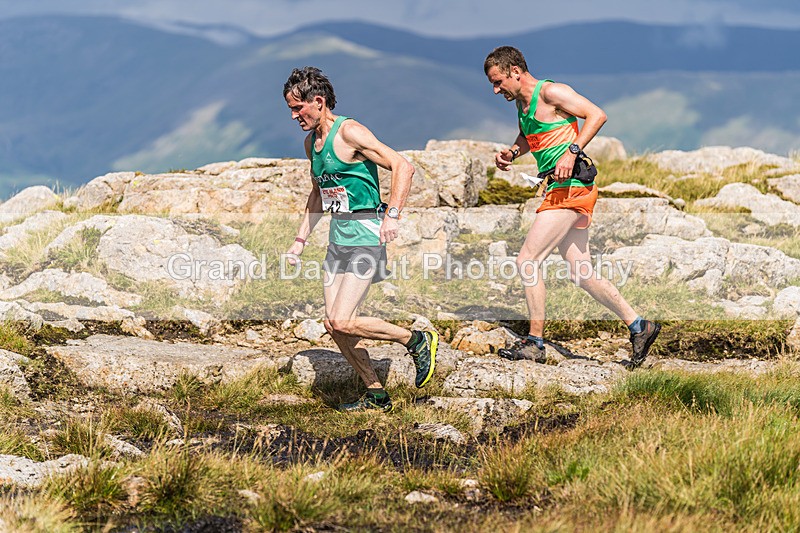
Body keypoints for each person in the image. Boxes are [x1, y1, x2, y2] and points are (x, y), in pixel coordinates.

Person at [483, 46, 660, 368]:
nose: (496, 90)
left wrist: (572, 152)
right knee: (581, 271)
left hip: (572, 187)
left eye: (498, 82)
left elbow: (597, 115)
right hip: (557, 188)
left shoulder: (551, 92)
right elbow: (530, 134)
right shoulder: (523, 104)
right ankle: (639, 325)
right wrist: (511, 152)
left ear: (515, 72)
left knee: (528, 260)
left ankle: (535, 343)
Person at [283, 66, 438, 412]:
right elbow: (318, 193)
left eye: (298, 108)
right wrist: (299, 241)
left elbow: (403, 166)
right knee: (334, 325)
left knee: (342, 319)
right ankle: (376, 394)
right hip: (338, 238)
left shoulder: (349, 132)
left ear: (318, 102)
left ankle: (415, 339)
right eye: (291, 110)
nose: (294, 116)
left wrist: (392, 215)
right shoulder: (312, 144)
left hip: (367, 235)